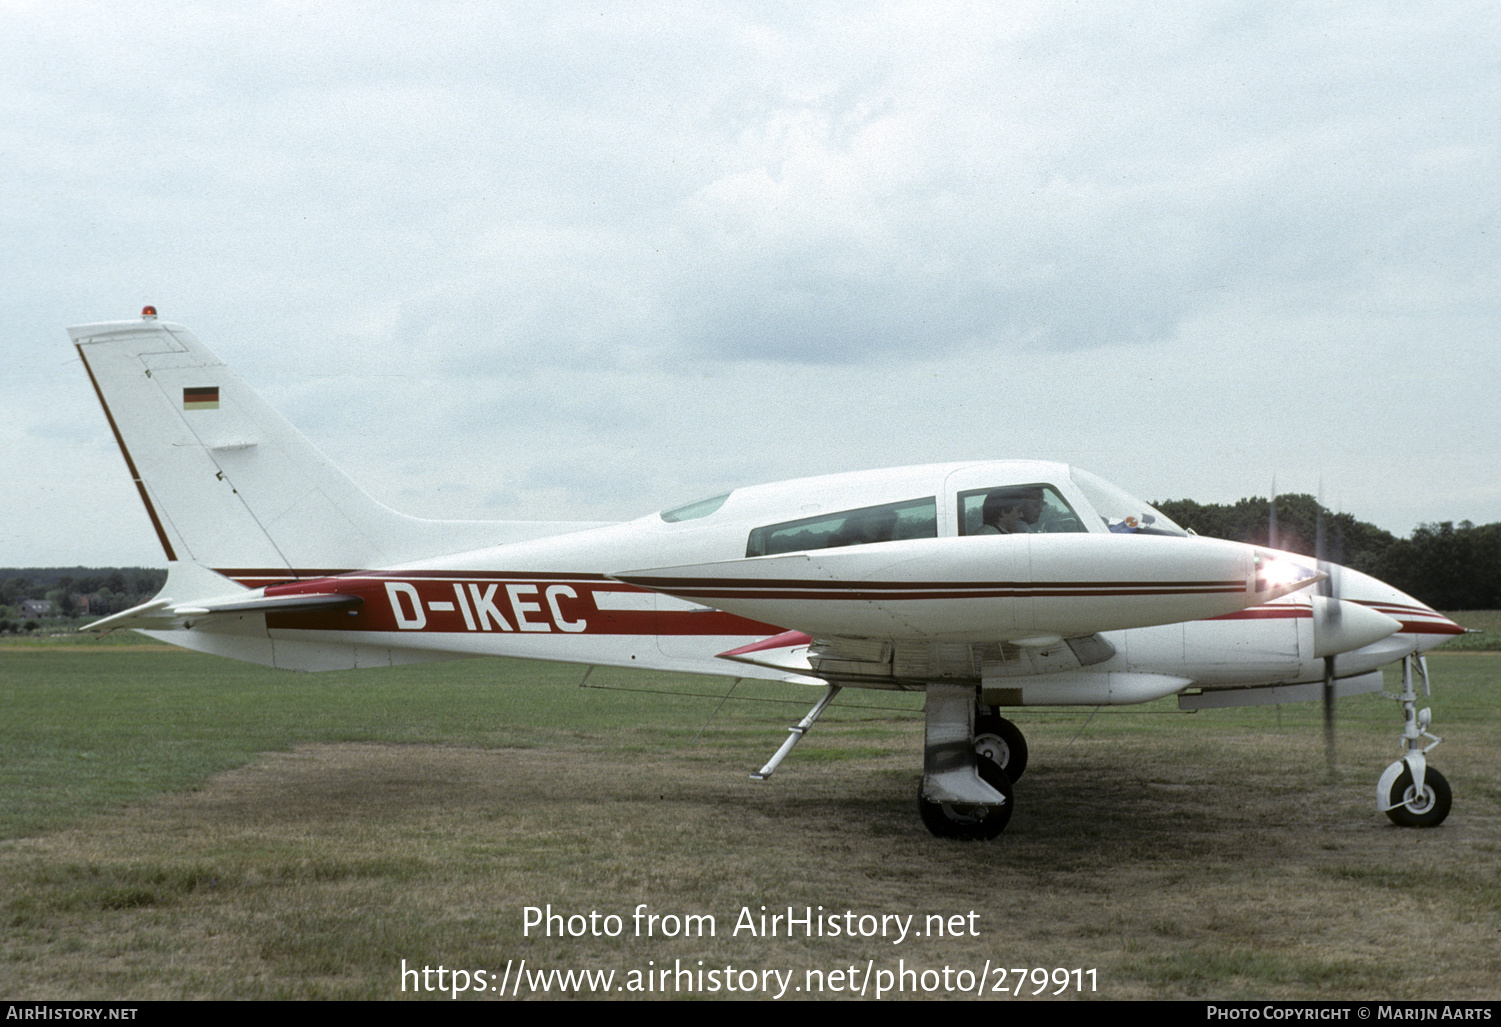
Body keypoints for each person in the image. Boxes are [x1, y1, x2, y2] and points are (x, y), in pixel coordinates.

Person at [978, 487, 1044, 534]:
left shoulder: (993, 533)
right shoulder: (991, 537)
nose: (1021, 515)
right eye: (1018, 511)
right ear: (1004, 512)